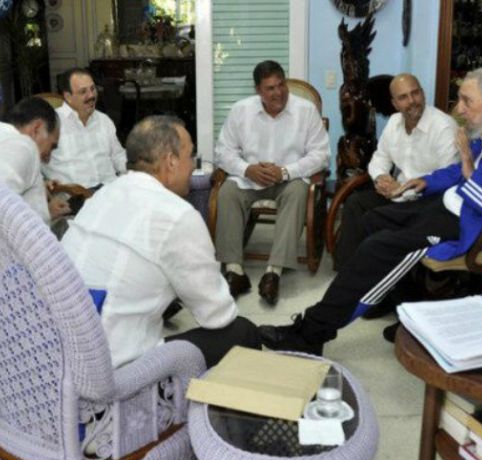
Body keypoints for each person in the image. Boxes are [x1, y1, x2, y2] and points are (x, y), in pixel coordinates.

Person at [259, 66, 482, 355]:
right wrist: (426, 181)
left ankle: (312, 333)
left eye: (467, 101)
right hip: (450, 204)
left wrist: (469, 173)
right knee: (372, 221)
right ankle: (392, 304)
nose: (459, 109)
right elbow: (455, 170)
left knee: (379, 247)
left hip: (468, 228)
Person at [61, 116, 261, 369]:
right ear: (171, 162)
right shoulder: (178, 215)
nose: (193, 166)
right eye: (191, 156)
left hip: (64, 355)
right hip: (116, 372)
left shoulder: (101, 196)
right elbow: (216, 314)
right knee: (243, 333)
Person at [214, 60, 330, 305]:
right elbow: (223, 152)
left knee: (299, 191)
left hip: (289, 180)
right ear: (258, 91)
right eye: (270, 88)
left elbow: (321, 155)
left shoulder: (306, 110)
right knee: (227, 192)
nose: (278, 93)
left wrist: (286, 172)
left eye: (281, 85)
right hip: (250, 179)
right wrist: (247, 169)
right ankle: (234, 270)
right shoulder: (240, 110)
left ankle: (273, 272)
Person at [333, 73, 459, 273]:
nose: (412, 101)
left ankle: (372, 273)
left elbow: (450, 179)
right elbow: (379, 159)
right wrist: (382, 178)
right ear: (394, 103)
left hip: (427, 202)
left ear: (423, 93)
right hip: (397, 196)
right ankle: (345, 271)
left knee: (373, 218)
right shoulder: (394, 122)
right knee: (354, 203)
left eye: (415, 93)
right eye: (403, 97)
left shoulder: (443, 127)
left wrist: (401, 190)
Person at [0, 97, 70, 226]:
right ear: (36, 129)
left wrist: (44, 207)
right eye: (51, 146)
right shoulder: (21, 145)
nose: (48, 158)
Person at [42, 68, 127, 200]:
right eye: (83, 92)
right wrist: (43, 184)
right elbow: (33, 166)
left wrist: (137, 173)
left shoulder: (103, 120)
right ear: (68, 96)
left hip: (110, 192)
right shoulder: (50, 124)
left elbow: (118, 156)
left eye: (92, 89)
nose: (91, 96)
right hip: (74, 197)